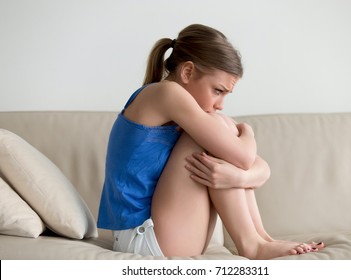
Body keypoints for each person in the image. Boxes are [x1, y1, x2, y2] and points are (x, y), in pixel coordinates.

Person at [97, 24, 325, 259]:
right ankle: (252, 244)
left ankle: (262, 239)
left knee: (221, 125)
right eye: (218, 90)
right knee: (219, 126)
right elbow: (245, 157)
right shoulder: (165, 93)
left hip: (169, 236)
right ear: (187, 72)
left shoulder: (182, 109)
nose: (221, 103)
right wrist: (248, 132)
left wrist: (239, 177)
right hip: (144, 240)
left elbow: (260, 168)